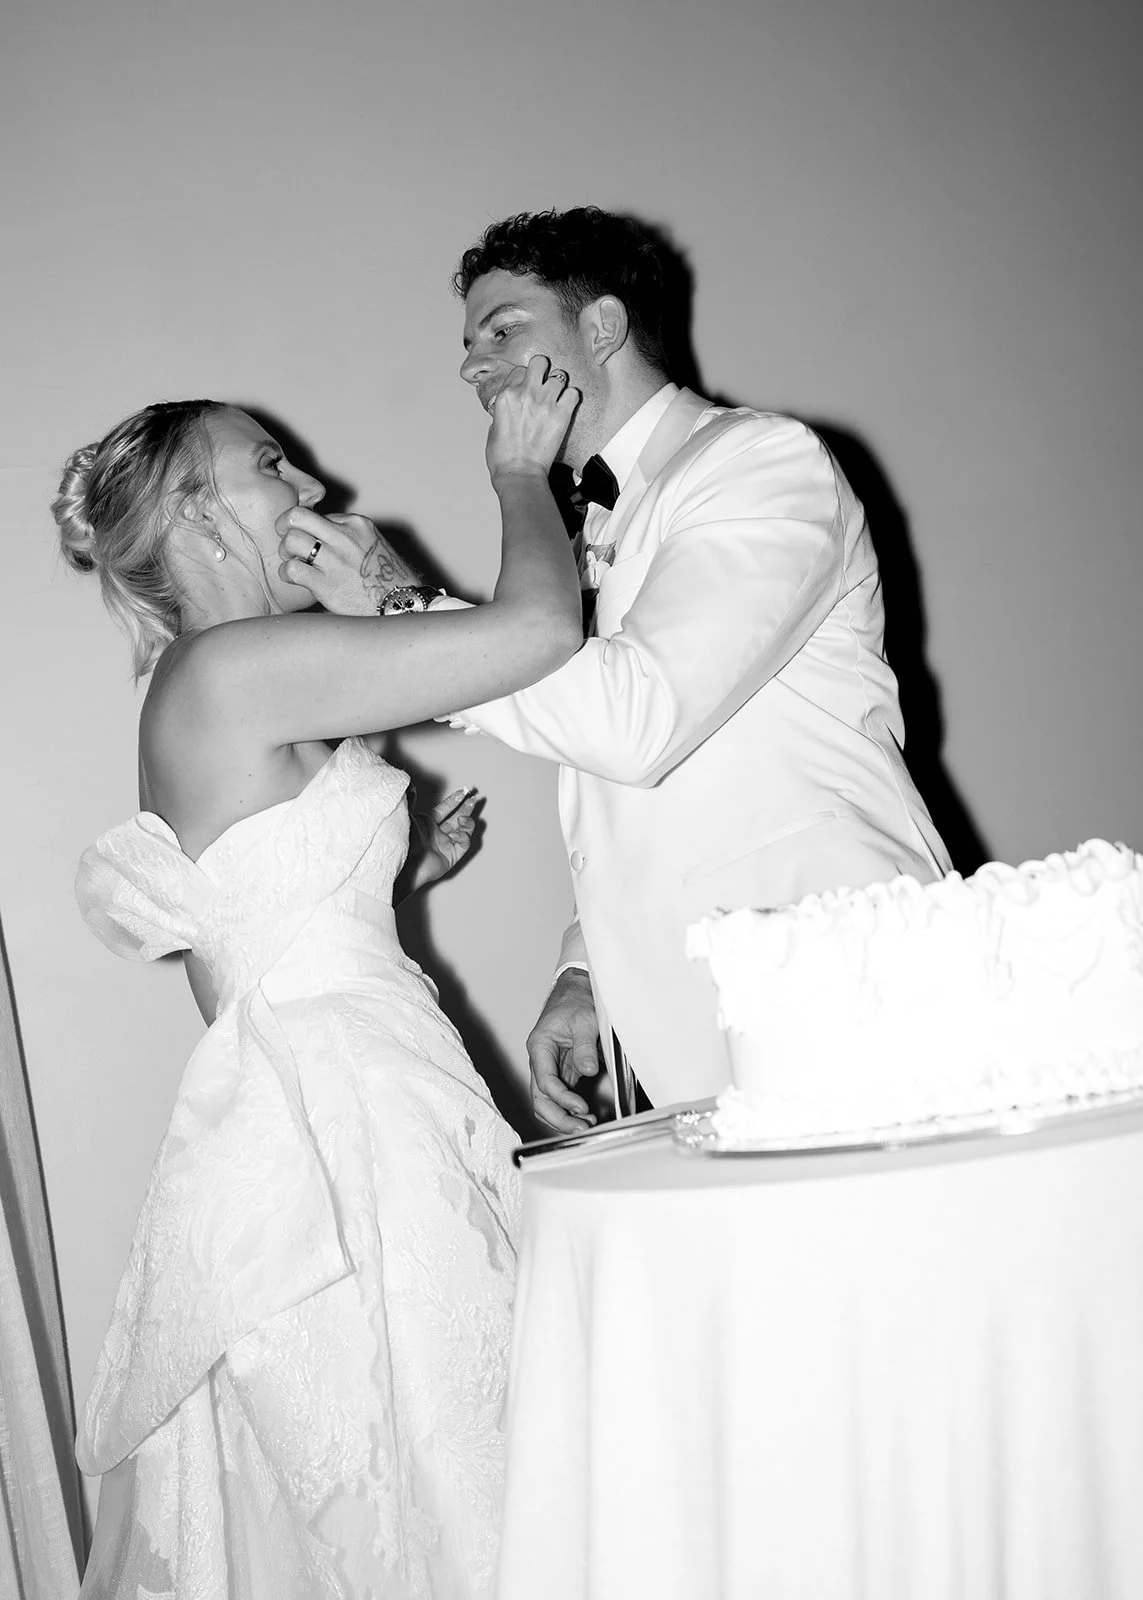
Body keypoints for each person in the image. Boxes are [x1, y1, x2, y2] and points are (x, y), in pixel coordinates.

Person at [53, 362, 582, 1599]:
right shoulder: (235, 665)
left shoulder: (226, 676)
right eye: (270, 465)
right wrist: (518, 473)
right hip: (351, 1119)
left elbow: (257, 927)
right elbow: (543, 638)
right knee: (448, 1457)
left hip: (349, 1081)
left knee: (411, 1453)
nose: (313, 484)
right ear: (195, 513)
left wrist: (392, 880)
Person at [298, 207, 953, 1134]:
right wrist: (585, 969)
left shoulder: (760, 464)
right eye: (468, 341)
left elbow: (636, 722)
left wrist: (406, 606)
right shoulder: (585, 529)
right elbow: (627, 799)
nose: (472, 365)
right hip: (688, 1017)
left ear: (600, 328)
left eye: (504, 328)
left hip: (834, 969)